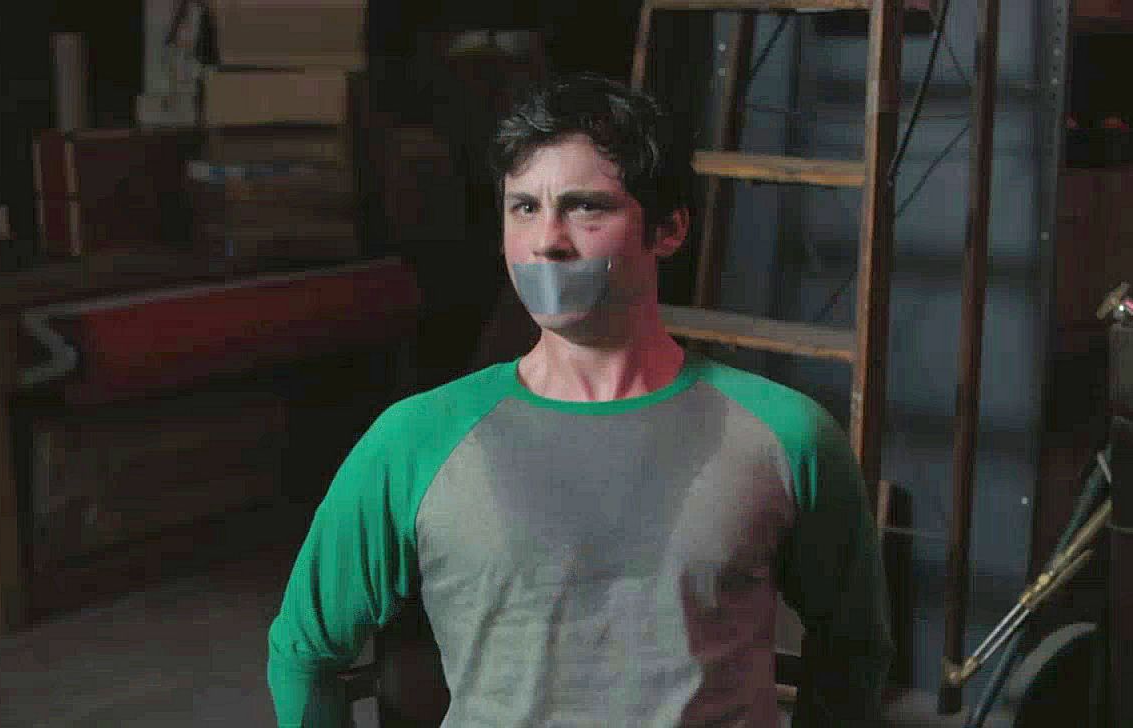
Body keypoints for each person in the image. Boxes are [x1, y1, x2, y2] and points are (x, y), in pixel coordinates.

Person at [267, 72, 893, 727]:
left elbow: (855, 650)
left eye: (585, 207)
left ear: (669, 229)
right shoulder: (415, 439)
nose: (547, 241)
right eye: (524, 208)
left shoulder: (786, 437)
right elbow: (304, 653)